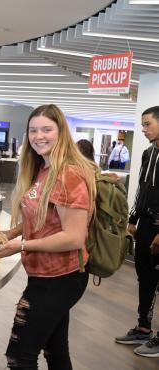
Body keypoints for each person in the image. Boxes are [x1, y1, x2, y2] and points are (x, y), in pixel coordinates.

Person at [0, 104, 96, 370]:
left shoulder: (68, 174)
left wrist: (21, 245)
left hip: (61, 278)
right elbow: (41, 218)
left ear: (61, 132)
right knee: (55, 350)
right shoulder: (43, 168)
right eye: (33, 130)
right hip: (45, 275)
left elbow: (73, 237)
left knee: (20, 356)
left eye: (47, 129)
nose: (39, 136)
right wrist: (11, 232)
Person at [115, 106, 159, 358]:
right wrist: (132, 218)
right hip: (144, 225)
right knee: (145, 277)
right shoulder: (147, 153)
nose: (143, 130)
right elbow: (141, 188)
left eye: (147, 124)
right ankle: (143, 328)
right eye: (142, 125)